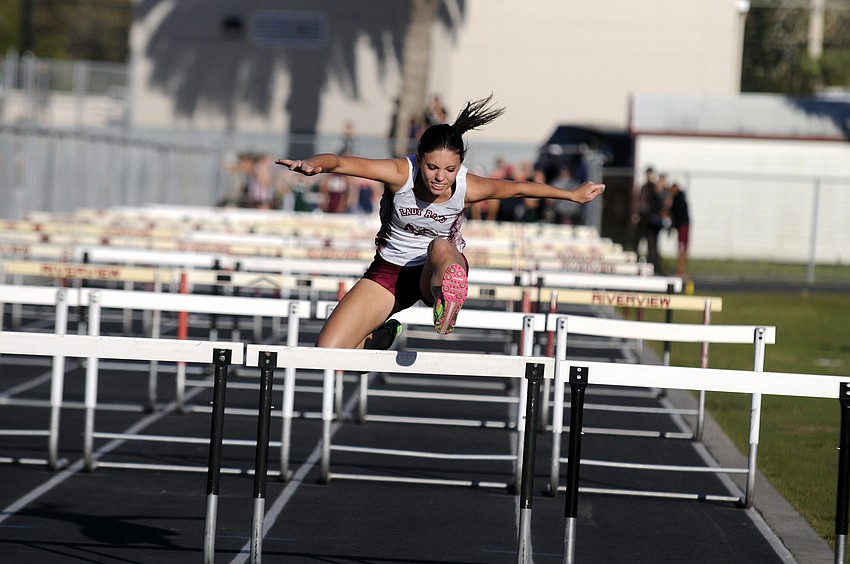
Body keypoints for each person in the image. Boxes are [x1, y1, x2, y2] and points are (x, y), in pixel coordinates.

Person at [275, 95, 605, 349]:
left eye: (450, 170)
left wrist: (572, 195)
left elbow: (518, 188)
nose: (440, 178)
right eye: (432, 168)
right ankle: (381, 334)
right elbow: (341, 162)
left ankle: (449, 295)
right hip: (389, 271)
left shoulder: (468, 185)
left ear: (460, 165)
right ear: (419, 160)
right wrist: (313, 164)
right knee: (326, 351)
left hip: (434, 269)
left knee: (439, 245)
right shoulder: (398, 173)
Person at [665, 181, 691, 277]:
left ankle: (681, 271)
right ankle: (680, 270)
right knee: (682, 249)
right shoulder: (680, 198)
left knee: (682, 249)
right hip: (682, 227)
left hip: (683, 227)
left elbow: (672, 213)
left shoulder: (678, 200)